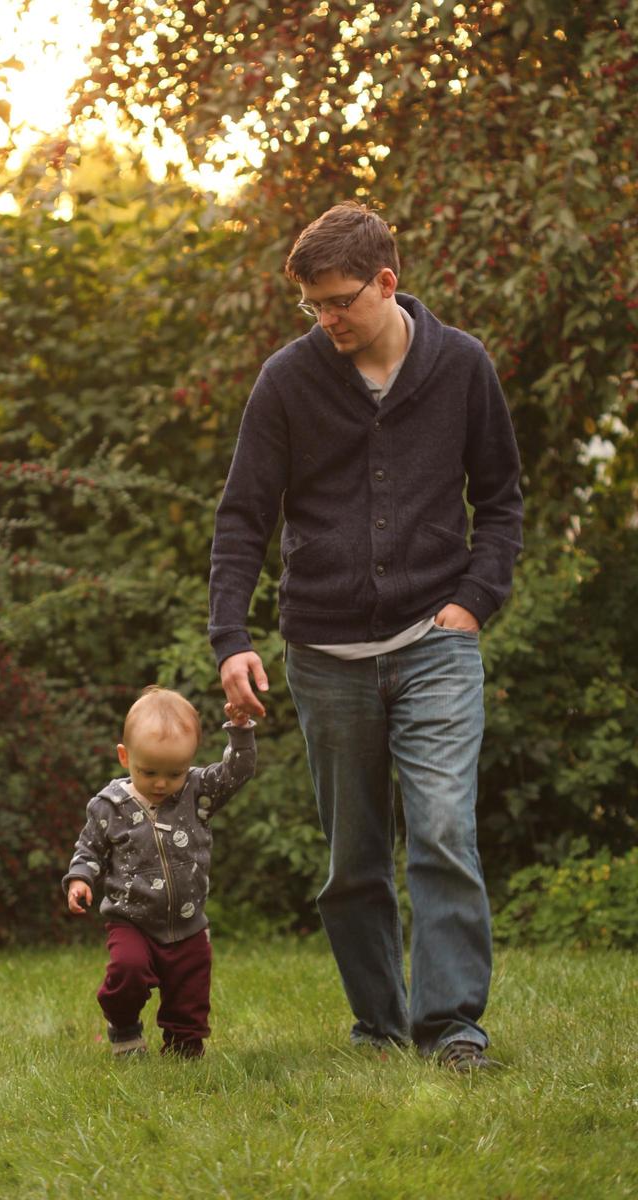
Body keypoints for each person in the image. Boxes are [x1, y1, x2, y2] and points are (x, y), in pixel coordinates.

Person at [209, 201, 523, 1072]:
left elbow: (500, 501)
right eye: (312, 305)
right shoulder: (287, 380)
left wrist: (472, 605)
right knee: (352, 860)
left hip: (436, 641)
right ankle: (380, 1026)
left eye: (340, 300)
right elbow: (242, 519)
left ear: (388, 282)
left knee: (444, 833)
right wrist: (230, 636)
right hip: (326, 656)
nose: (326, 319)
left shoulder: (461, 367)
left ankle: (452, 1027)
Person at [63, 686, 256, 1058]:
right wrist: (79, 879)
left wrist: (241, 729)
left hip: (187, 922)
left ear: (190, 762)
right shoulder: (108, 807)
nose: (162, 783)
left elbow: (239, 771)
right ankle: (123, 1026)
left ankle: (184, 1048)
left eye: (175, 772)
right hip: (131, 918)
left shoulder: (197, 791)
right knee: (128, 972)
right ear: (124, 756)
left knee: (190, 991)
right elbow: (89, 849)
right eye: (148, 771)